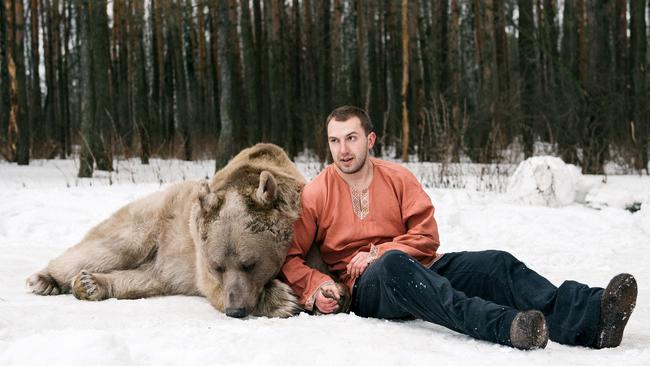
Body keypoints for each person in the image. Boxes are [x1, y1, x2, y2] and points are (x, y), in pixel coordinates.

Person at [280, 106, 638, 350]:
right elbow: (290, 256)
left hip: (416, 265)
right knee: (392, 267)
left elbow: (426, 237)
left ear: (370, 140)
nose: (342, 149)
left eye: (351, 138)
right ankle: (510, 327)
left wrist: (378, 251)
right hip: (367, 291)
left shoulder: (398, 178)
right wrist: (320, 286)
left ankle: (594, 316)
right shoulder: (316, 192)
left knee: (496, 264)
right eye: (334, 140)